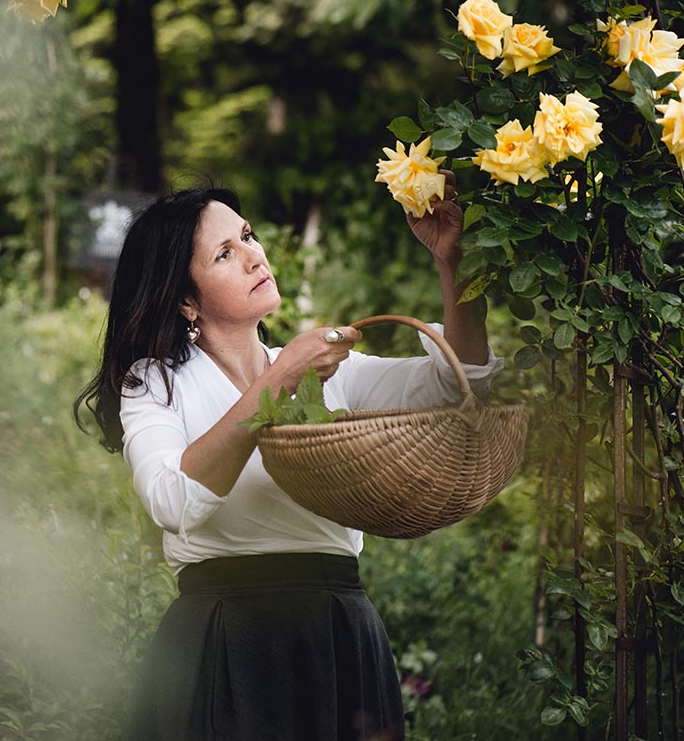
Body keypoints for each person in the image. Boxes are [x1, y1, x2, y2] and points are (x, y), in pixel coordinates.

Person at [75, 177, 503, 741]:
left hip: (338, 634)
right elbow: (172, 499)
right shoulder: (156, 382)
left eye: (248, 236)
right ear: (185, 299)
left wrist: (456, 265)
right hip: (228, 639)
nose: (254, 256)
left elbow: (456, 385)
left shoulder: (330, 371)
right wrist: (283, 375)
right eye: (225, 253)